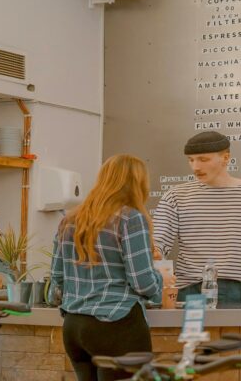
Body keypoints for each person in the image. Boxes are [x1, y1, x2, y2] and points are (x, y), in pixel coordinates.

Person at [50, 154, 164, 381]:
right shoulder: (130, 218)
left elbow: (57, 279)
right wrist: (159, 285)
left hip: (74, 327)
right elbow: (142, 281)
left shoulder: (70, 220)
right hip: (117, 324)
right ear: (138, 183)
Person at [153, 131, 241, 304]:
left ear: (226, 158)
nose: (195, 167)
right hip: (191, 291)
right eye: (191, 160)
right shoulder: (175, 196)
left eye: (203, 159)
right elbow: (158, 242)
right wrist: (155, 254)